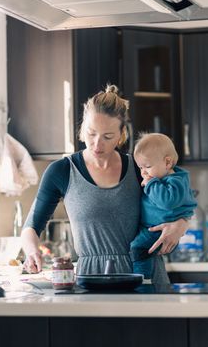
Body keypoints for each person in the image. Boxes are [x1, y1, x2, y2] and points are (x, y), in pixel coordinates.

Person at [21, 84, 189, 284]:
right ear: (83, 127)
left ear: (121, 134)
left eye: (107, 136)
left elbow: (179, 198)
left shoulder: (138, 168)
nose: (97, 144)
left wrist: (182, 225)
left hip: (144, 277)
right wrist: (31, 252)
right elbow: (31, 226)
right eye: (91, 133)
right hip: (91, 279)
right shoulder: (62, 171)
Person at [130, 133, 197, 279]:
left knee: (138, 249)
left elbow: (167, 201)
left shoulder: (175, 182)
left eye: (147, 166)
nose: (143, 172)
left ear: (167, 163)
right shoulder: (162, 178)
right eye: (140, 167)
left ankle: (143, 279)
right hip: (152, 228)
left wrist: (150, 184)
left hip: (159, 232)